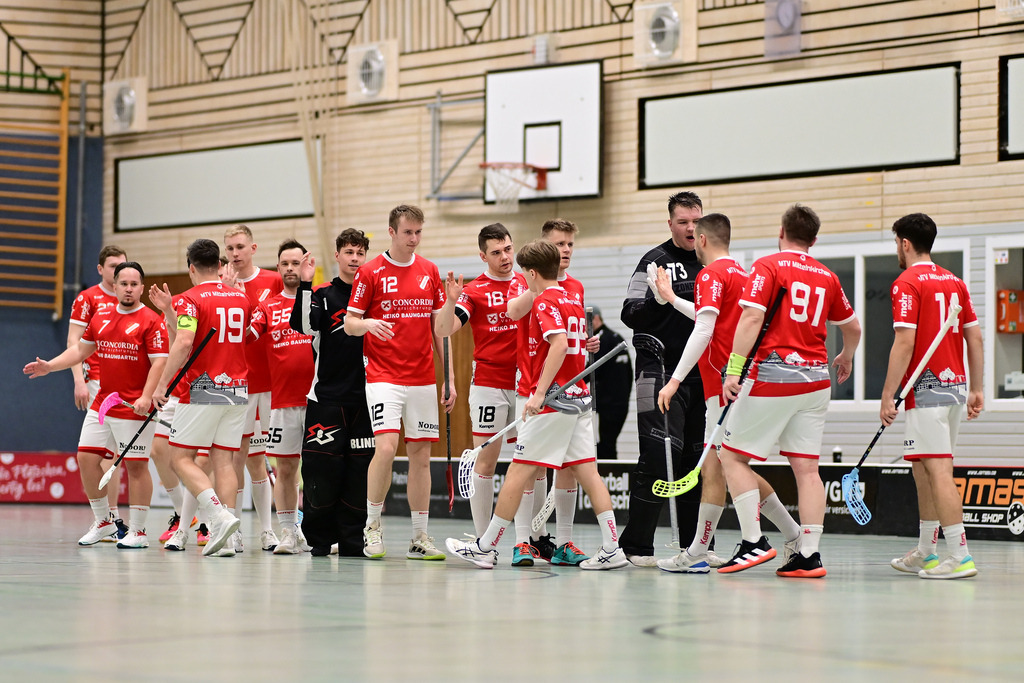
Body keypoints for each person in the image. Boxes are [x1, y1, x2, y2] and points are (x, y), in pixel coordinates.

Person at [445, 239, 629, 570]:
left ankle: (486, 547)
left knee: (518, 471)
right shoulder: (572, 299)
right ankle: (612, 547)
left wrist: (540, 391)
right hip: (579, 401)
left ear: (531, 273)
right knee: (589, 472)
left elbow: (558, 346)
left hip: (554, 403)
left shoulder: (545, 302)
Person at [653, 213, 802, 573]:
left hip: (725, 388)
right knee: (720, 467)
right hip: (735, 385)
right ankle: (787, 535)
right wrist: (673, 298)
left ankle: (748, 542)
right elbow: (714, 318)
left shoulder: (710, 275)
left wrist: (673, 380)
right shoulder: (743, 275)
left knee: (725, 466)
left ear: (702, 240)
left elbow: (704, 329)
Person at [718, 204, 861, 577]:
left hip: (774, 377)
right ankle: (809, 554)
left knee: (731, 457)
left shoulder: (769, 265)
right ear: (813, 240)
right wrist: (846, 357)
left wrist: (734, 370)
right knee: (808, 470)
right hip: (816, 381)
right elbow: (854, 327)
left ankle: (753, 542)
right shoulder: (827, 277)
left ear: (781, 231)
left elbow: (751, 317)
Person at [26, 261, 167, 548]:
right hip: (104, 403)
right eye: (123, 283)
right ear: (114, 286)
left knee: (137, 467)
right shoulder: (101, 317)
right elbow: (80, 349)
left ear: (141, 287)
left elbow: (160, 362)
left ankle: (138, 531)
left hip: (135, 407)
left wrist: (146, 396)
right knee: (86, 458)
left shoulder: (152, 320)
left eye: (134, 284)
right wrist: (50, 366)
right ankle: (104, 521)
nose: (129, 288)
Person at [345, 205, 455, 560]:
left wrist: (449, 376)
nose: (414, 239)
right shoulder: (371, 271)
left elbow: (440, 331)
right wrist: (368, 325)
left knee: (421, 455)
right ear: (392, 232)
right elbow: (349, 323)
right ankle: (372, 527)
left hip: (422, 377)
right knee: (388, 448)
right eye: (408, 232)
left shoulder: (429, 271)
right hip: (383, 375)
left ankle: (419, 537)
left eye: (419, 232)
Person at [881, 213, 983, 580]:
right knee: (922, 468)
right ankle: (926, 551)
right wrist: (977, 387)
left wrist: (887, 394)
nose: (897, 249)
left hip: (926, 392)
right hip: (953, 391)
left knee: (938, 471)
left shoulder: (906, 282)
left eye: (896, 243)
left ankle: (960, 555)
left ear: (905, 243)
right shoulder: (955, 282)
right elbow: (975, 336)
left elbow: (905, 341)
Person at [504, 218, 600, 566]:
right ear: (545, 247)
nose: (566, 250)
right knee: (530, 467)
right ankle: (522, 542)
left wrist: (585, 342)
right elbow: (514, 311)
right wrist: (539, 288)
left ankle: (564, 542)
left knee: (570, 468)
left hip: (568, 393)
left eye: (570, 244)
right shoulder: (527, 280)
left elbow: (567, 339)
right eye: (559, 244)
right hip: (533, 389)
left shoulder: (575, 286)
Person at [618, 191, 707, 567]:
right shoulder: (653, 261)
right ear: (670, 223)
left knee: (693, 464)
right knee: (658, 456)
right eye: (683, 221)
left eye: (695, 221)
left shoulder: (712, 261)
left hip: (701, 375)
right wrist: (658, 299)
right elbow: (629, 312)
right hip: (657, 372)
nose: (690, 228)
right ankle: (636, 547)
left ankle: (695, 548)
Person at [434, 224, 529, 562]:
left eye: (508, 249)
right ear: (482, 256)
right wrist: (450, 301)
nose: (505, 257)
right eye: (496, 252)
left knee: (529, 463)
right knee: (485, 463)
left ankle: (524, 543)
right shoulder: (474, 292)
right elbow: (444, 329)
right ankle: (482, 545)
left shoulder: (526, 282)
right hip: (488, 385)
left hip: (525, 386)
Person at [153, 238, 250, 557]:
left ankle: (219, 518)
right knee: (224, 461)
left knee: (179, 458)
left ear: (191, 268)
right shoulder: (240, 297)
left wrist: (161, 385)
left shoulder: (189, 300)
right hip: (238, 388)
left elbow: (182, 344)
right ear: (221, 266)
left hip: (203, 388)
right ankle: (227, 537)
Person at [290, 229, 374, 557]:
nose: (355, 259)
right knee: (321, 474)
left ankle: (354, 541)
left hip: (366, 400)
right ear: (337, 256)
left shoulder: (374, 295)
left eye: (360, 253)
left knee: (359, 476)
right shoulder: (323, 294)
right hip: (326, 399)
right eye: (349, 252)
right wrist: (306, 284)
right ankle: (320, 541)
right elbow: (303, 327)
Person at [247, 239, 316, 554]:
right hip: (283, 403)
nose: (291, 269)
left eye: (296, 263)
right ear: (278, 268)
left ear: (306, 266)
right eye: (285, 264)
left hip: (320, 403)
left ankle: (319, 532)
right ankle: (288, 532)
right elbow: (245, 337)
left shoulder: (319, 301)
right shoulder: (268, 307)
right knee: (285, 470)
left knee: (320, 471)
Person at [223, 224, 283, 552]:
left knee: (261, 461)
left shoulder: (273, 281)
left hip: (271, 384)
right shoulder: (221, 285)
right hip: (234, 386)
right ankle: (232, 530)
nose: (235, 253)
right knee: (234, 459)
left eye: (240, 247)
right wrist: (229, 291)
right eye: (230, 248)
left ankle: (268, 531)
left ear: (253, 248)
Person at [68, 245, 127, 534]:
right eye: (113, 265)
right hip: (96, 385)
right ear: (100, 269)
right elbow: (74, 344)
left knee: (114, 455)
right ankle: (109, 516)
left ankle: (111, 516)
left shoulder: (130, 296)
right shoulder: (87, 298)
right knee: (102, 454)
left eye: (123, 265)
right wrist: (78, 380)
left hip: (125, 386)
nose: (118, 270)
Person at [589, 305, 632, 459]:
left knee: (605, 446)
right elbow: (629, 374)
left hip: (608, 404)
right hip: (620, 404)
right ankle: (607, 477)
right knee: (607, 443)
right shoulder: (617, 338)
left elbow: (590, 371)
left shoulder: (600, 341)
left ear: (595, 319)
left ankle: (606, 477)